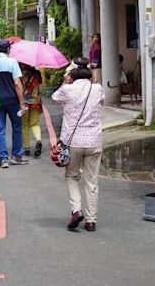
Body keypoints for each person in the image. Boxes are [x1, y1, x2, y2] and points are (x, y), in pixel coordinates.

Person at [51, 57, 105, 232]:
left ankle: (76, 210)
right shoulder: (97, 89)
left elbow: (54, 98)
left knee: (72, 176)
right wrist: (93, 82)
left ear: (72, 74)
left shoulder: (67, 89)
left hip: (73, 142)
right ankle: (91, 220)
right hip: (93, 141)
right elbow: (101, 102)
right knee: (91, 181)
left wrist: (65, 82)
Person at [0, 39, 27, 168]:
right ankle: (17, 156)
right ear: (8, 49)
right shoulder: (12, 62)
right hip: (13, 100)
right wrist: (22, 103)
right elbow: (17, 84)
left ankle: (3, 159)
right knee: (17, 127)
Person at [20, 63, 43, 157]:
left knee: (24, 125)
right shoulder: (37, 74)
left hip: (23, 103)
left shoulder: (20, 74)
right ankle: (38, 139)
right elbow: (41, 90)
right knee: (35, 124)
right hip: (35, 103)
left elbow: (17, 86)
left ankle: (26, 148)